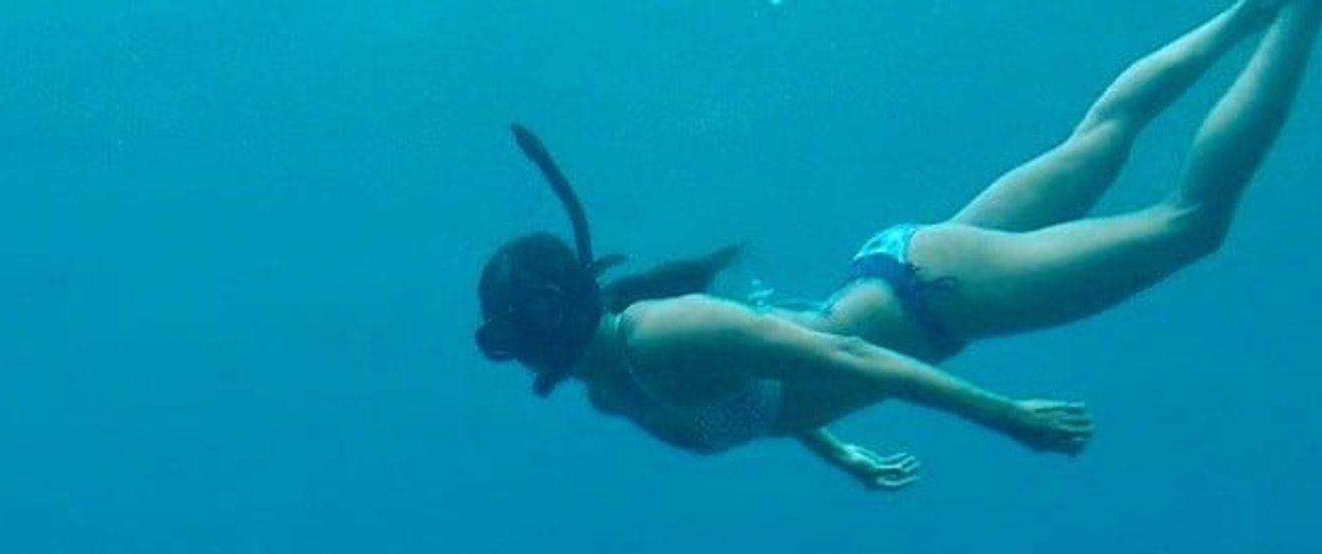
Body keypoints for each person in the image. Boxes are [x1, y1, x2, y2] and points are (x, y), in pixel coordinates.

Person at [475, 0, 1318, 489]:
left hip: (939, 296)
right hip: (906, 272)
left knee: (1190, 223)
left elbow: (850, 361)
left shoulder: (665, 336)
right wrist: (841, 454)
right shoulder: (612, 379)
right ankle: (1255, 11)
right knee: (1098, 141)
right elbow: (774, 384)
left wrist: (1007, 417)